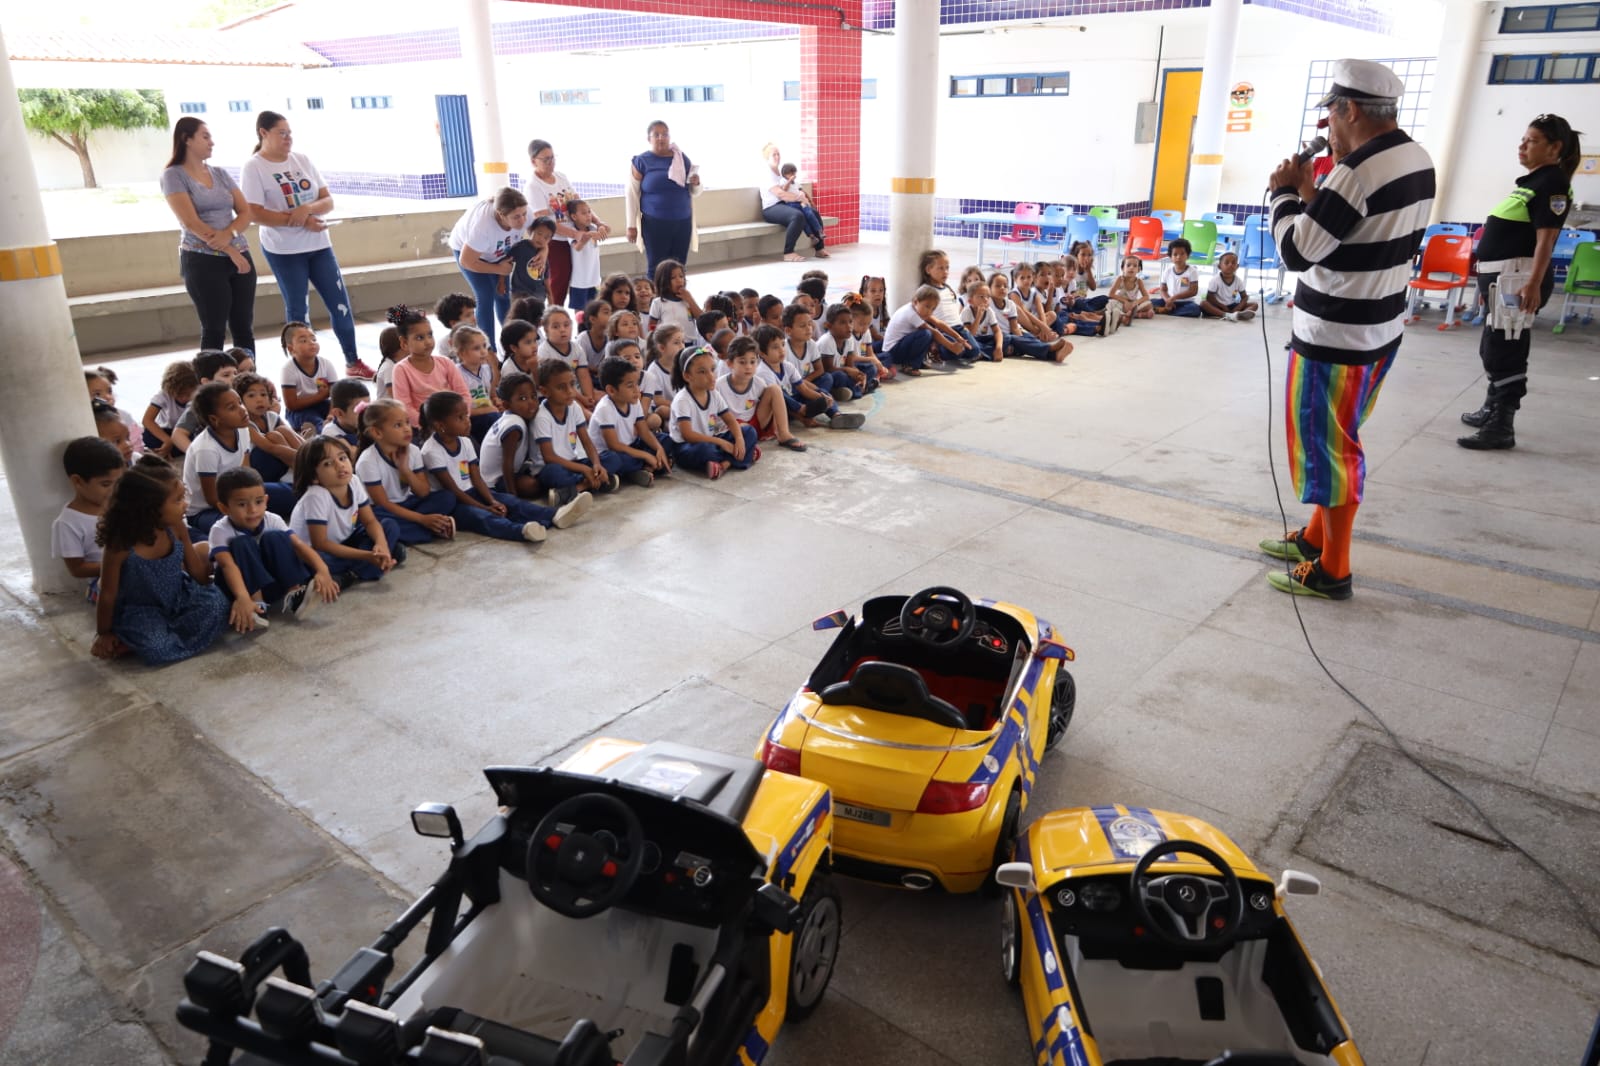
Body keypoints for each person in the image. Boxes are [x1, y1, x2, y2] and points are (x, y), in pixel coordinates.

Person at [1259, 58, 1435, 600]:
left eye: (1331, 115)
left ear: (1351, 109)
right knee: (1338, 438)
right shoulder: (1414, 157)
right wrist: (1318, 189)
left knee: (1328, 450)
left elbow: (1297, 250)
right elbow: (1343, 231)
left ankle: (1333, 568)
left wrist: (1288, 191)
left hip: (1334, 339)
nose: (1328, 129)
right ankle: (1316, 537)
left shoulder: (1356, 172)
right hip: (1379, 330)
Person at [1458, 113, 1580, 451]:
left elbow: (1547, 239)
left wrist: (1533, 284)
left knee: (1506, 349)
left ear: (1555, 148)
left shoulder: (1553, 183)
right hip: (1502, 279)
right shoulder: (1531, 182)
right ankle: (1491, 407)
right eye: (1523, 139)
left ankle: (1502, 425)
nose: (1522, 145)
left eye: (1532, 141)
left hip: (1518, 278)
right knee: (1492, 345)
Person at [241, 112, 375, 380]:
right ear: (263, 133)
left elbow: (327, 201)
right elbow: (254, 212)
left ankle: (352, 359)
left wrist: (307, 210)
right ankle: (304, 370)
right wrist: (298, 221)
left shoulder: (301, 160)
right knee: (298, 310)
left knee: (340, 304)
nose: (288, 138)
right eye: (282, 133)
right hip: (285, 250)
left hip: (318, 245)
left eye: (290, 132)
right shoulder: (254, 167)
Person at [92, 456, 228, 665]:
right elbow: (108, 595)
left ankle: (148, 639)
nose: (185, 504)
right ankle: (147, 637)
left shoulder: (177, 527)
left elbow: (197, 572)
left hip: (179, 595)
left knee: (218, 604)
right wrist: (104, 633)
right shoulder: (120, 545)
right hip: (142, 610)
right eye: (178, 500)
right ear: (149, 508)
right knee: (157, 649)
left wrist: (219, 575)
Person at [160, 117, 256, 355]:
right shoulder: (173, 175)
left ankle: (250, 385)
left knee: (243, 327)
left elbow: (245, 212)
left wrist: (230, 234)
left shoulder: (220, 173)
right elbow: (190, 221)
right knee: (214, 328)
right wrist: (229, 249)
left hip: (240, 256)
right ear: (187, 139)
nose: (211, 142)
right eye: (205, 136)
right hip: (203, 258)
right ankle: (212, 387)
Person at [418, 391, 564, 543]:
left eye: (467, 415)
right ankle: (521, 531)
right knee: (481, 517)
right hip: (452, 503)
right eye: (460, 418)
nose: (467, 421)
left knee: (508, 501)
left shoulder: (465, 442)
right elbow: (453, 489)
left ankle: (554, 515)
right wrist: (484, 508)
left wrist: (491, 500)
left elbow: (476, 477)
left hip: (472, 492)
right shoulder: (431, 451)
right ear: (440, 425)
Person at [209, 467, 337, 632]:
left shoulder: (273, 519)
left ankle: (295, 594)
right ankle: (257, 605)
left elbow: (298, 545)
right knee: (241, 543)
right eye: (242, 504)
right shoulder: (220, 530)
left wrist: (322, 570)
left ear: (266, 500)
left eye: (258, 501)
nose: (253, 510)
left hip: (269, 581)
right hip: (239, 587)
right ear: (224, 508)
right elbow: (228, 566)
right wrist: (242, 597)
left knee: (276, 537)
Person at [289, 437, 401, 585]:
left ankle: (360, 569)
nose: (340, 465)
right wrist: (367, 555)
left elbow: (370, 521)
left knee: (389, 525)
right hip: (317, 551)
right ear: (314, 477)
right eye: (328, 463)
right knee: (318, 561)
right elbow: (320, 543)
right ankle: (366, 567)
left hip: (345, 540)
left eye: (342, 458)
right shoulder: (315, 495)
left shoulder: (353, 481)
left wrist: (382, 545)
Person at [355, 398, 459, 545]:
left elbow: (423, 492)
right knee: (381, 521)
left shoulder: (414, 451)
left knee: (447, 497)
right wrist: (422, 519)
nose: (406, 429)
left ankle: (408, 533)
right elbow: (383, 503)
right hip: (383, 510)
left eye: (407, 422)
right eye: (398, 425)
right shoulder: (368, 461)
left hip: (408, 503)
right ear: (377, 432)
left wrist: (405, 469)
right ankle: (427, 530)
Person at [524, 140, 613, 307]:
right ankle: (554, 319)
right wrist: (575, 234)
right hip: (557, 241)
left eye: (553, 158)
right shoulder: (533, 186)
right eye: (546, 160)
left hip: (576, 236)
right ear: (533, 161)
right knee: (559, 281)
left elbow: (579, 203)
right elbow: (544, 222)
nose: (551, 163)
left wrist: (598, 221)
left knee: (584, 279)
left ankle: (583, 319)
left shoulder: (561, 177)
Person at [448, 188, 531, 347]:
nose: (522, 221)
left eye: (524, 214)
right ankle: (489, 348)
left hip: (497, 252)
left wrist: (544, 250)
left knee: (503, 295)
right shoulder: (483, 226)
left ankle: (511, 340)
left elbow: (541, 230)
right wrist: (499, 269)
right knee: (485, 295)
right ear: (501, 215)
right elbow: (467, 261)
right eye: (516, 217)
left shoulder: (523, 211)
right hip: (470, 255)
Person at [534, 361, 616, 504]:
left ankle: (577, 488)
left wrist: (596, 464)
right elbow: (549, 457)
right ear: (545, 391)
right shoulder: (542, 416)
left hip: (574, 463)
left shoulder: (574, 407)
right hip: (551, 467)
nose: (570, 391)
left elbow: (587, 442)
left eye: (572, 384)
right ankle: (593, 482)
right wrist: (584, 469)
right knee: (554, 474)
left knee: (612, 458)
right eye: (561, 387)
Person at [54, 437, 125, 602]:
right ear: (78, 481)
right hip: (103, 581)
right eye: (106, 484)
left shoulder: (122, 504)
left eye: (118, 483)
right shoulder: (67, 522)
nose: (114, 491)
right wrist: (117, 566)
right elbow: (77, 569)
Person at [670, 347, 757, 479]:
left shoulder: (714, 394)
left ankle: (724, 464)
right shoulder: (682, 400)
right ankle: (744, 455)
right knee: (706, 451)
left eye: (712, 370)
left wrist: (739, 440)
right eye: (702, 372)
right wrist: (721, 443)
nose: (711, 376)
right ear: (687, 376)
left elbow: (730, 420)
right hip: (687, 447)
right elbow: (688, 435)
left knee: (749, 431)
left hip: (711, 440)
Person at [626, 120, 701, 275]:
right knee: (656, 266)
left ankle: (677, 298)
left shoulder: (681, 158)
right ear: (649, 139)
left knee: (679, 267)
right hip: (655, 223)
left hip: (682, 221)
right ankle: (655, 299)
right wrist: (631, 225)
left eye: (665, 134)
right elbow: (632, 195)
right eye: (656, 135)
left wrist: (696, 182)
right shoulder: (641, 161)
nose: (661, 138)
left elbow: (694, 191)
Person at [589, 356, 673, 486]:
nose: (637, 390)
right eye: (630, 386)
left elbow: (644, 431)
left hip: (630, 446)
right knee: (614, 461)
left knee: (665, 440)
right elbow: (614, 445)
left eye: (637, 383)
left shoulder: (633, 401)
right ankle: (646, 467)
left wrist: (659, 448)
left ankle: (644, 469)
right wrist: (645, 455)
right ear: (611, 390)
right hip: (609, 453)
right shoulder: (605, 408)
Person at [717, 336, 806, 452]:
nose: (748, 366)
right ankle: (747, 446)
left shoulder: (758, 383)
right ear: (730, 364)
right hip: (732, 429)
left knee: (774, 389)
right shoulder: (719, 385)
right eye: (742, 362)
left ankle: (784, 434)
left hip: (755, 425)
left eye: (753, 362)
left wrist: (775, 428)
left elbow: (772, 407)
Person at [388, 305, 469, 430]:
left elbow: (463, 394)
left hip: (453, 422)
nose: (428, 342)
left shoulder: (445, 362)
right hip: (423, 427)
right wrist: (430, 425)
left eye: (430, 335)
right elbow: (405, 407)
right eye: (420, 337)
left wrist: (461, 417)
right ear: (404, 343)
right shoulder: (401, 369)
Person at [759, 144, 826, 263]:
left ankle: (819, 248)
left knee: (813, 212)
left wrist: (805, 199)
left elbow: (792, 188)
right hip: (771, 208)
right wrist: (800, 199)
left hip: (784, 204)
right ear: (767, 158)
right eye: (773, 154)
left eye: (778, 154)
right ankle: (788, 253)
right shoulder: (766, 174)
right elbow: (781, 194)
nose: (777, 157)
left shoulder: (780, 173)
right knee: (797, 216)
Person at [280, 321, 341, 432]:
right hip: (299, 411)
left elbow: (336, 395)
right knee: (315, 422)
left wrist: (331, 414)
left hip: (322, 404)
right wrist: (320, 396)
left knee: (342, 411)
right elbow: (291, 405)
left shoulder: (326, 364)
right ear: (291, 348)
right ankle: (323, 435)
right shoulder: (288, 369)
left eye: (313, 339)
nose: (311, 343)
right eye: (303, 340)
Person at [142, 361, 199, 457]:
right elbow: (147, 420)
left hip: (187, 432)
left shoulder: (198, 393)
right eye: (179, 394)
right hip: (167, 431)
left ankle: (174, 449)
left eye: (188, 394)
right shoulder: (164, 395)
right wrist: (167, 440)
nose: (184, 398)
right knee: (147, 435)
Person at [649, 259, 704, 342]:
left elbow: (701, 318)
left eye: (681, 276)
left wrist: (690, 300)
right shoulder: (658, 302)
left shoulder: (687, 300)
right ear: (663, 281)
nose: (679, 280)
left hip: (691, 342)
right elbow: (652, 325)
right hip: (669, 344)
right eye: (673, 278)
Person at [1200, 252, 1259, 322]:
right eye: (1226, 263)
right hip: (1218, 306)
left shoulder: (1238, 281)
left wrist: (1238, 308)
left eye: (1233, 263)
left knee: (1254, 305)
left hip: (1232, 306)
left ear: (1237, 266)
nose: (1230, 265)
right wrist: (1223, 306)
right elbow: (1209, 297)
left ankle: (1239, 315)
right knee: (1203, 303)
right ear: (1219, 266)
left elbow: (1245, 297)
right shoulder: (1215, 280)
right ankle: (1227, 315)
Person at [1151, 239, 1203, 317]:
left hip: (1186, 302)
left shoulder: (1192, 272)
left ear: (1188, 255)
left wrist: (1174, 298)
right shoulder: (1167, 271)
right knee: (1149, 302)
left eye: (1182, 254)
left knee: (1195, 310)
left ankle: (1166, 311)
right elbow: (1163, 289)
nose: (1179, 257)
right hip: (1168, 300)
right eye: (1175, 254)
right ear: (1170, 256)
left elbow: (1193, 291)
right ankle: (1167, 309)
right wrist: (1168, 300)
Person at [1107, 255, 1155, 321]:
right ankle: (1133, 315)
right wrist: (1125, 301)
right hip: (1121, 303)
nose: (1131, 268)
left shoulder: (1139, 281)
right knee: (1110, 304)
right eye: (1128, 265)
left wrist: (1136, 302)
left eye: (1135, 266)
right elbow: (1111, 294)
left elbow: (1146, 296)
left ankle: (1132, 314)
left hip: (1133, 304)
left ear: (1139, 269)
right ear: (1122, 268)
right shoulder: (1120, 279)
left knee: (1149, 304)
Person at [434, 293, 477, 360]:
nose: (474, 319)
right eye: (468, 315)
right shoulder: (444, 344)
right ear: (454, 323)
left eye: (473, 313)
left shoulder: (480, 337)